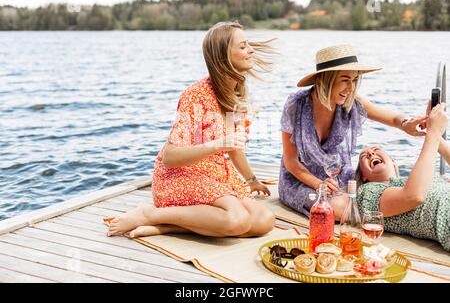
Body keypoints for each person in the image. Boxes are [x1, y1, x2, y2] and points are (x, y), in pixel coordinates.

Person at [108, 21, 276, 238]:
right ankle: (150, 214)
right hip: (181, 175)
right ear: (224, 56)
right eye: (243, 46)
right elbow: (170, 157)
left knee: (264, 221)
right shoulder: (196, 96)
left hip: (216, 175)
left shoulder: (236, 92)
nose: (251, 50)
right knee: (237, 220)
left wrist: (252, 180)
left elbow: (234, 147)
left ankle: (168, 226)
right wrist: (219, 143)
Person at [280, 44, 427, 217]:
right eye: (344, 79)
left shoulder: (352, 102)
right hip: (302, 181)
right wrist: (318, 184)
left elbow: (394, 119)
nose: (351, 88)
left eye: (354, 80)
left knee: (381, 191)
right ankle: (381, 218)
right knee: (338, 208)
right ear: (325, 79)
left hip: (341, 177)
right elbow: (291, 161)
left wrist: (406, 123)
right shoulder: (296, 104)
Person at [354, 103, 449, 251]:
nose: (371, 154)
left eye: (376, 150)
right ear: (364, 177)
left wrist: (432, 131)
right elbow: (413, 196)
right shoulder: (369, 193)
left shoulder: (425, 178)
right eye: (364, 157)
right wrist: (434, 133)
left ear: (393, 162)